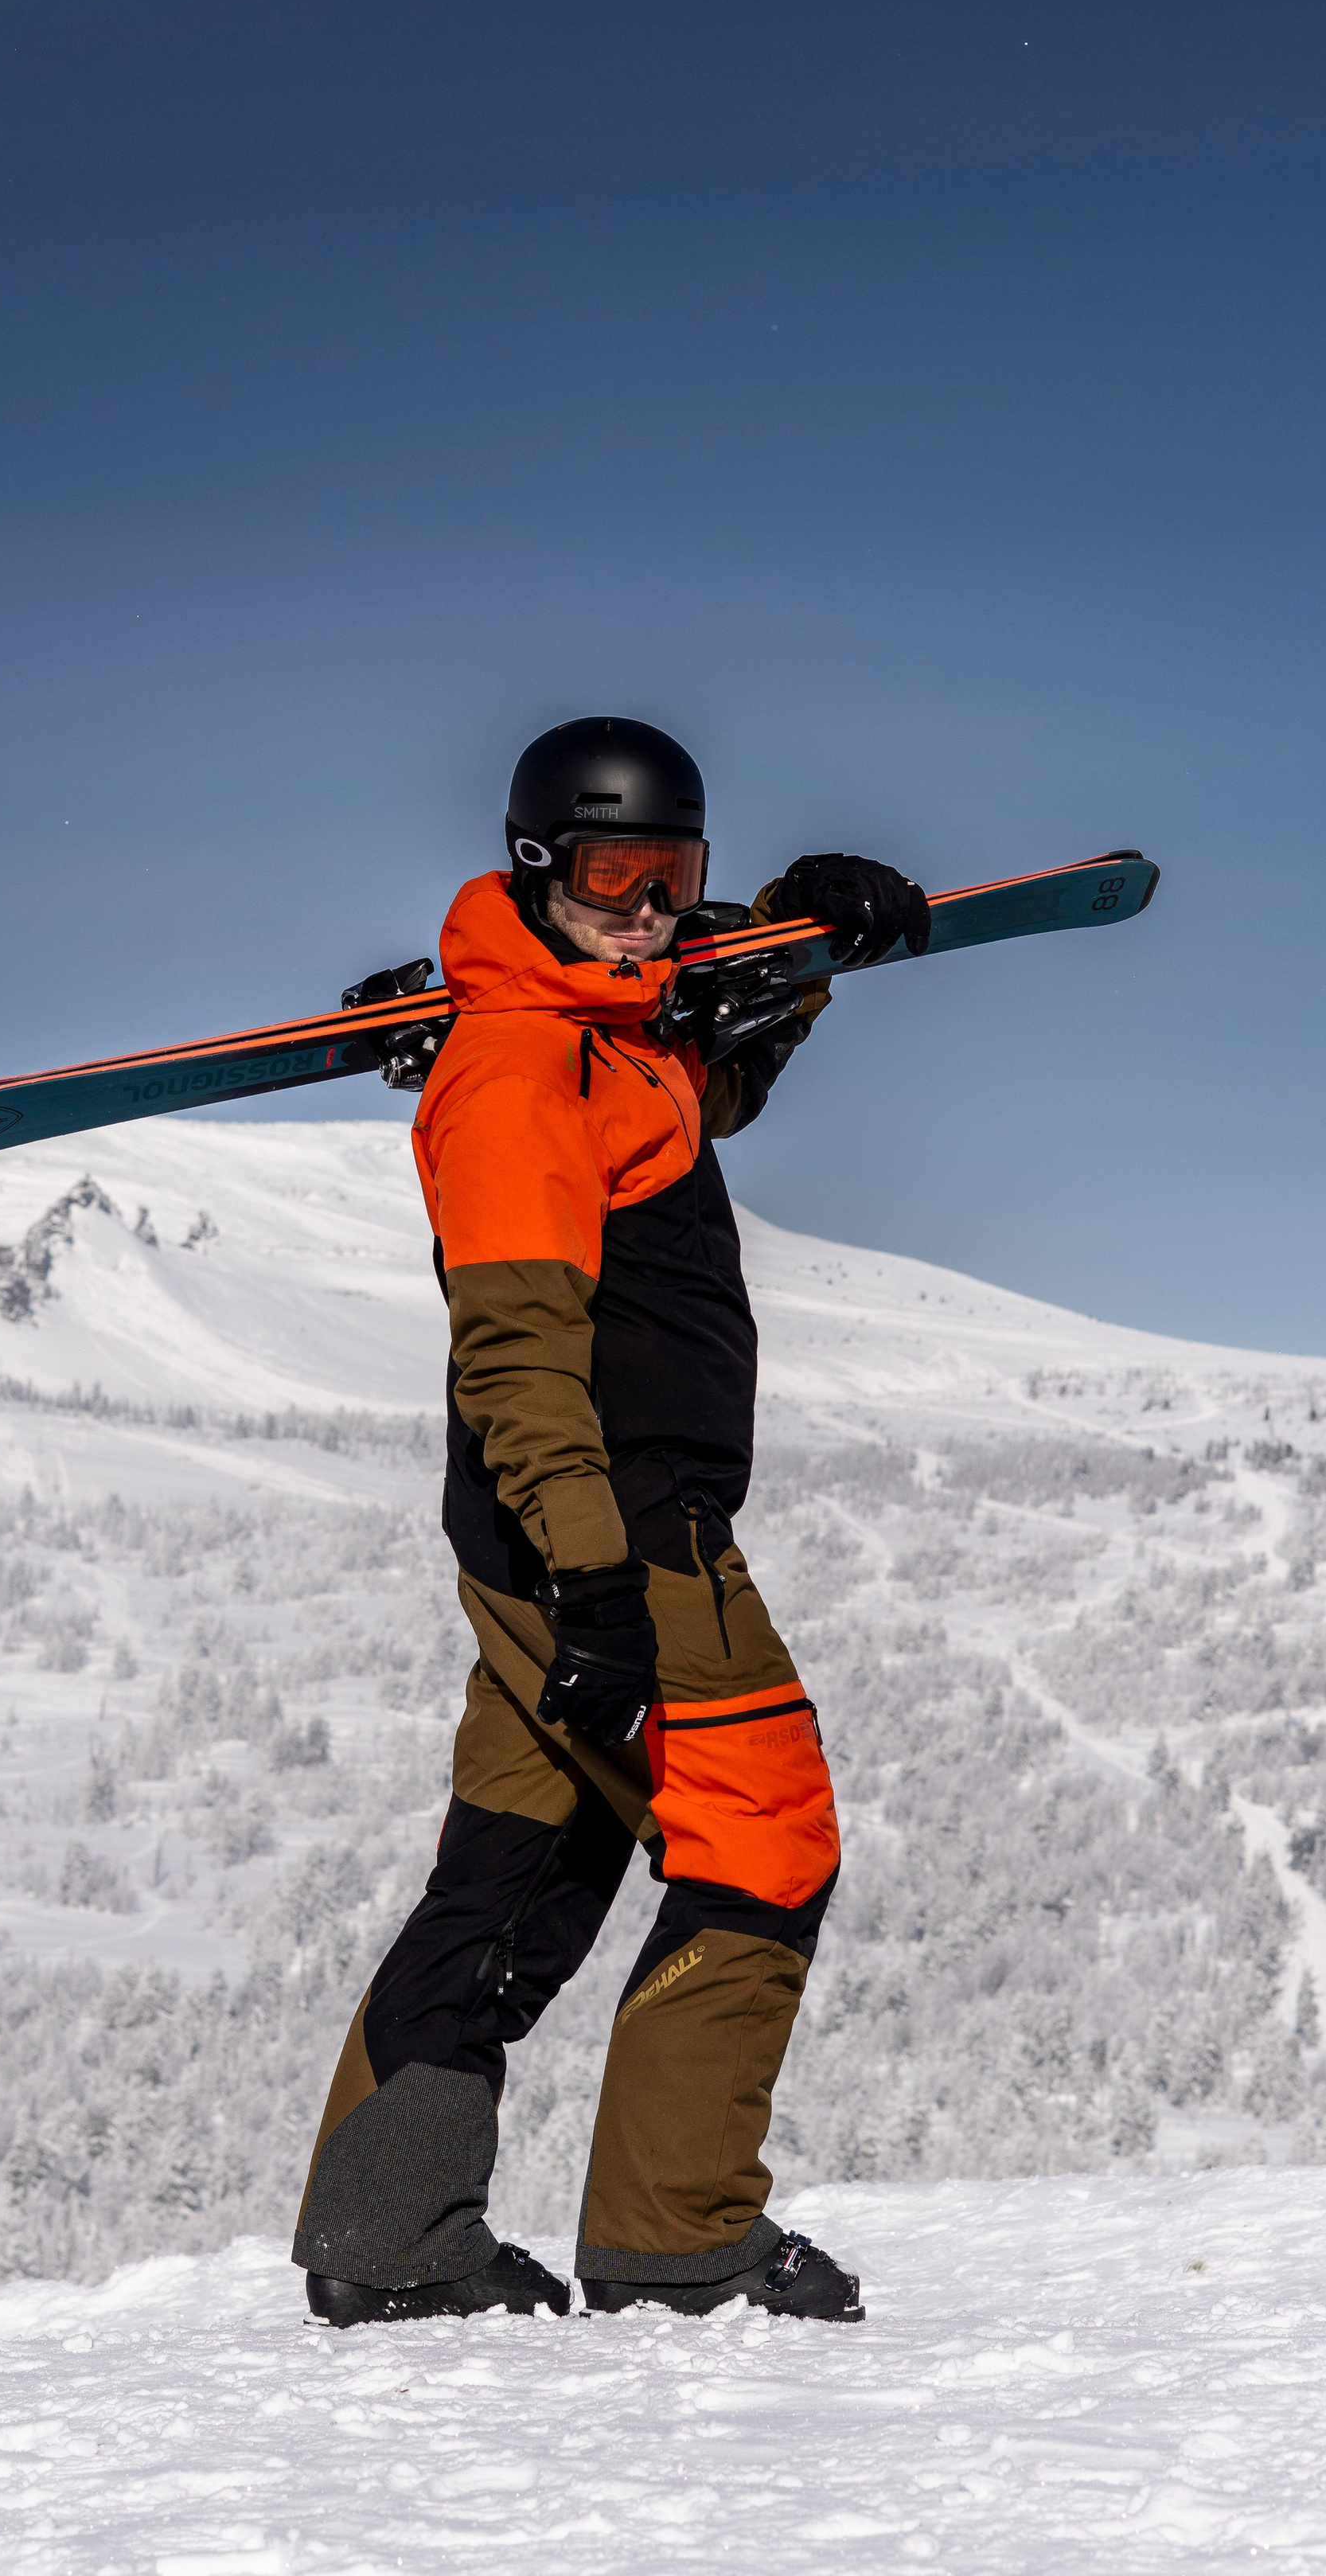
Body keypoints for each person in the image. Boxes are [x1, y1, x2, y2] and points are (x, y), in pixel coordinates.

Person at [291, 716, 928, 2326]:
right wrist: (594, 1586)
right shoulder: (514, 1066)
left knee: (521, 1860)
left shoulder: (611, 1035)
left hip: (556, 1542)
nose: (645, 907)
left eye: (675, 874)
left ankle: (387, 2235)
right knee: (762, 1830)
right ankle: (679, 2235)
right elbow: (516, 1354)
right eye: (608, 874)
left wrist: (800, 940)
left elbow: (699, 1089)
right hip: (615, 1534)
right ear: (536, 873)